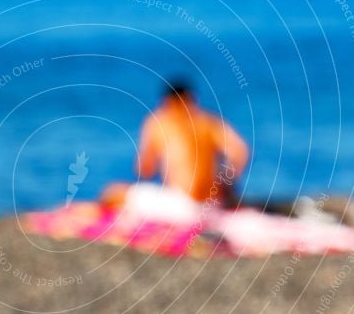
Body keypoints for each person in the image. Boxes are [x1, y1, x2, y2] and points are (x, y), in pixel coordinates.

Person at [101, 79, 249, 221]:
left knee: (112, 193)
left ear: (168, 101)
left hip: (182, 207)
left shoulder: (161, 121)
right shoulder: (210, 122)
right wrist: (224, 185)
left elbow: (144, 170)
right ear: (192, 99)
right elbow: (240, 151)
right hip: (213, 205)